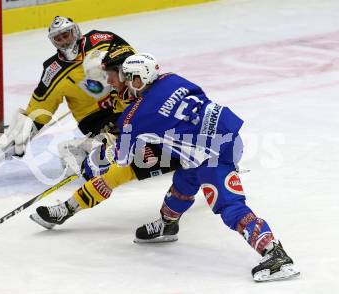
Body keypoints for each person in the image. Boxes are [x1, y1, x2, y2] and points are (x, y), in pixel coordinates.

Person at [33, 52, 300, 282]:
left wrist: (95, 162)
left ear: (139, 79)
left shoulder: (134, 117)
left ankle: (276, 255)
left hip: (213, 152)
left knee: (227, 204)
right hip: (225, 136)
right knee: (184, 184)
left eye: (127, 78)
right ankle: (167, 225)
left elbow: (125, 160)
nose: (122, 84)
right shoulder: (173, 79)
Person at [29, 46, 181, 227]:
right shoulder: (126, 92)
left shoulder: (150, 95)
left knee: (190, 184)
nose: (108, 81)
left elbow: (143, 132)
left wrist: (109, 154)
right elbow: (128, 129)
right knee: (113, 174)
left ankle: (168, 223)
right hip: (161, 144)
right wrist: (109, 144)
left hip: (182, 147)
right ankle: (67, 209)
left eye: (111, 75)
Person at [0, 16, 132, 173]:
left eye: (66, 35)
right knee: (126, 140)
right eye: (58, 39)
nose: (64, 41)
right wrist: (24, 131)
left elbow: (131, 56)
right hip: (95, 118)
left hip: (122, 100)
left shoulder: (101, 40)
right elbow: (40, 107)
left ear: (75, 31)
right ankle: (78, 150)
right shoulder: (53, 70)